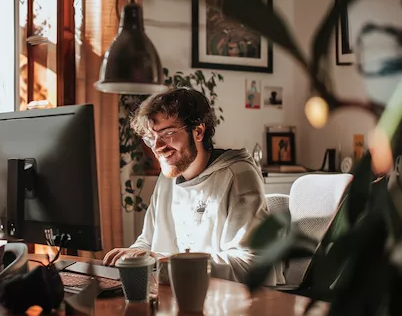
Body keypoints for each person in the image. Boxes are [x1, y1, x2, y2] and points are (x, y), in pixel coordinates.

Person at [104, 86, 279, 284]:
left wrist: (163, 263)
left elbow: (252, 264)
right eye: (151, 138)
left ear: (198, 131)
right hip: (173, 296)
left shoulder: (237, 175)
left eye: (167, 133)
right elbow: (148, 241)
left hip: (224, 304)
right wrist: (135, 255)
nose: (157, 147)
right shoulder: (167, 179)